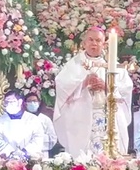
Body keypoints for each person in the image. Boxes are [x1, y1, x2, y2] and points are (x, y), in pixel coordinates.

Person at [54, 27, 133, 158]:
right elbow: (62, 87)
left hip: (108, 117)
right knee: (82, 157)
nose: (94, 43)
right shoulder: (73, 65)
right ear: (84, 43)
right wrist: (84, 83)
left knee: (109, 156)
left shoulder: (112, 65)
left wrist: (107, 86)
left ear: (104, 44)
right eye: (90, 40)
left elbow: (126, 89)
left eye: (98, 40)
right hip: (82, 118)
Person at [0, 90, 44, 158]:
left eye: (12, 101)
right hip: (6, 158)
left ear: (20, 102)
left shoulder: (32, 119)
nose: (8, 104)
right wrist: (10, 152)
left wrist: (25, 151)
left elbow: (38, 137)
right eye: (6, 102)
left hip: (29, 157)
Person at [24, 93, 58, 159]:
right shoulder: (22, 119)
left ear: (39, 103)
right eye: (29, 101)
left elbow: (53, 138)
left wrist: (39, 139)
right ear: (25, 104)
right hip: (26, 153)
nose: (32, 103)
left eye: (34, 101)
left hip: (43, 153)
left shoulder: (45, 119)